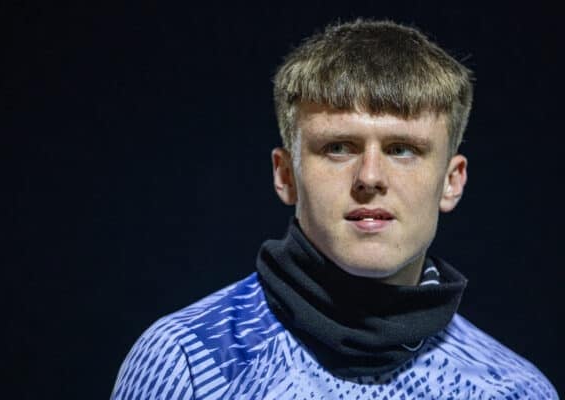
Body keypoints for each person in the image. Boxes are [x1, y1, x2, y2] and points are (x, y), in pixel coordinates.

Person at [110, 19, 558, 399]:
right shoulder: (187, 363)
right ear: (285, 174)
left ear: (451, 180)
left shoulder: (513, 390)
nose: (369, 177)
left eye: (403, 149)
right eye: (339, 147)